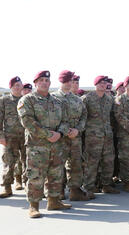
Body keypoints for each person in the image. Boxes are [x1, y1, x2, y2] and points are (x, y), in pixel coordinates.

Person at [17, 71, 71, 218]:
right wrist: (48, 135)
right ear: (35, 83)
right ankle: (34, 206)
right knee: (36, 175)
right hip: (37, 146)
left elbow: (66, 121)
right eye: (41, 80)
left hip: (56, 144)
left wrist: (59, 133)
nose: (44, 82)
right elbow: (27, 121)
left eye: (47, 80)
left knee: (55, 173)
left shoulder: (58, 101)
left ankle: (54, 201)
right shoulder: (27, 100)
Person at [51, 70, 89, 201]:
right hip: (59, 139)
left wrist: (78, 130)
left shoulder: (77, 100)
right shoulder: (53, 98)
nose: (69, 83)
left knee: (76, 164)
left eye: (71, 81)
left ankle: (75, 190)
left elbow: (84, 116)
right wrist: (64, 131)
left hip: (75, 138)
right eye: (66, 81)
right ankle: (58, 191)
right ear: (61, 81)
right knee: (57, 165)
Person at [81, 75, 119, 199]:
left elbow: (113, 117)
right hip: (93, 137)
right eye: (100, 83)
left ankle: (106, 185)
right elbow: (82, 117)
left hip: (107, 135)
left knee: (108, 161)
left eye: (105, 83)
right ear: (95, 84)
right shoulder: (87, 98)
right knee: (91, 163)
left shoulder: (109, 99)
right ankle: (89, 188)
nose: (103, 85)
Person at [0, 76, 26, 198]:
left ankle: (29, 187)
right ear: (11, 87)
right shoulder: (4, 100)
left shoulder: (27, 100)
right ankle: (7, 187)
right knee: (8, 162)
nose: (18, 87)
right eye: (16, 85)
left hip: (26, 137)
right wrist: (1, 136)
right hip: (9, 137)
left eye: (20, 84)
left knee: (28, 162)